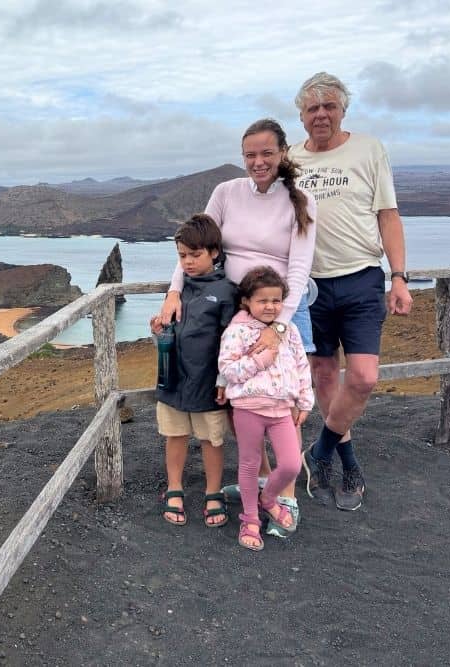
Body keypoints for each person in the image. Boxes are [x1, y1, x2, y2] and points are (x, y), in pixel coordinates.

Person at [154, 117, 316, 537]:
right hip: (235, 312)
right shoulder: (226, 193)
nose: (258, 161)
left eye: (266, 153)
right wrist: (175, 290)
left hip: (278, 308)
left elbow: (298, 270)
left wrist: (279, 327)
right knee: (241, 406)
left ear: (283, 153)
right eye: (250, 154)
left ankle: (288, 497)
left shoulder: (301, 201)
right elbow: (197, 239)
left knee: (282, 406)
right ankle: (259, 482)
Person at [288, 72, 413, 511]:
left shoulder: (369, 150)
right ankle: (348, 463)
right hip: (309, 285)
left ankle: (319, 452)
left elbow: (388, 215)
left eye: (329, 106)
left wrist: (399, 276)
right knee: (323, 375)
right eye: (312, 108)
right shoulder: (290, 159)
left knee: (362, 377)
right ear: (301, 115)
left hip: (361, 276)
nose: (321, 114)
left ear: (343, 110)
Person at [218, 267, 314, 551]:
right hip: (248, 408)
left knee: (291, 464)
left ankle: (268, 499)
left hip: (282, 409)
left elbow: (301, 367)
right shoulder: (236, 331)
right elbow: (228, 369)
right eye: (263, 300)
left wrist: (304, 400)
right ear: (246, 301)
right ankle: (249, 518)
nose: (270, 306)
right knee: (249, 464)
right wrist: (259, 361)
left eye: (276, 300)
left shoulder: (290, 331)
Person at [153, 214, 237, 528]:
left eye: (195, 254)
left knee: (211, 439)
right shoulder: (177, 290)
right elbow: (171, 331)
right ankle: (174, 487)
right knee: (174, 435)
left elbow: (233, 340)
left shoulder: (227, 292)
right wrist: (159, 331)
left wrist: (224, 379)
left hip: (208, 383)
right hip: (173, 379)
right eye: (182, 256)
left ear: (214, 252)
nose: (187, 262)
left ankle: (213, 492)